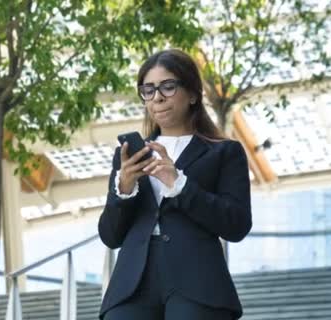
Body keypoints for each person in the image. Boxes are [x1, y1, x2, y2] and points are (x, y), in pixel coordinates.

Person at [98, 49, 252, 320]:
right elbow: (111, 236)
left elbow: (237, 224)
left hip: (198, 281)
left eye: (168, 86)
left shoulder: (225, 152)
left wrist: (179, 184)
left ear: (193, 94)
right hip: (132, 283)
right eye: (148, 89)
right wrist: (123, 189)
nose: (157, 97)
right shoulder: (130, 155)